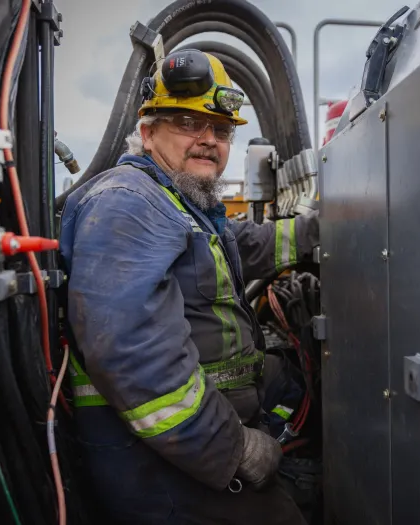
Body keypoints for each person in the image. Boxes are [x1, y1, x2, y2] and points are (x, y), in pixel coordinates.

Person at [58, 49, 319, 525]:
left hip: (186, 452)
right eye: (186, 122)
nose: (207, 140)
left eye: (220, 130)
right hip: (167, 474)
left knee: (293, 377)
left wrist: (316, 231)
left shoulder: (175, 201)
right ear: (147, 132)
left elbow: (237, 244)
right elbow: (134, 358)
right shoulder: (127, 203)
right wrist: (234, 448)